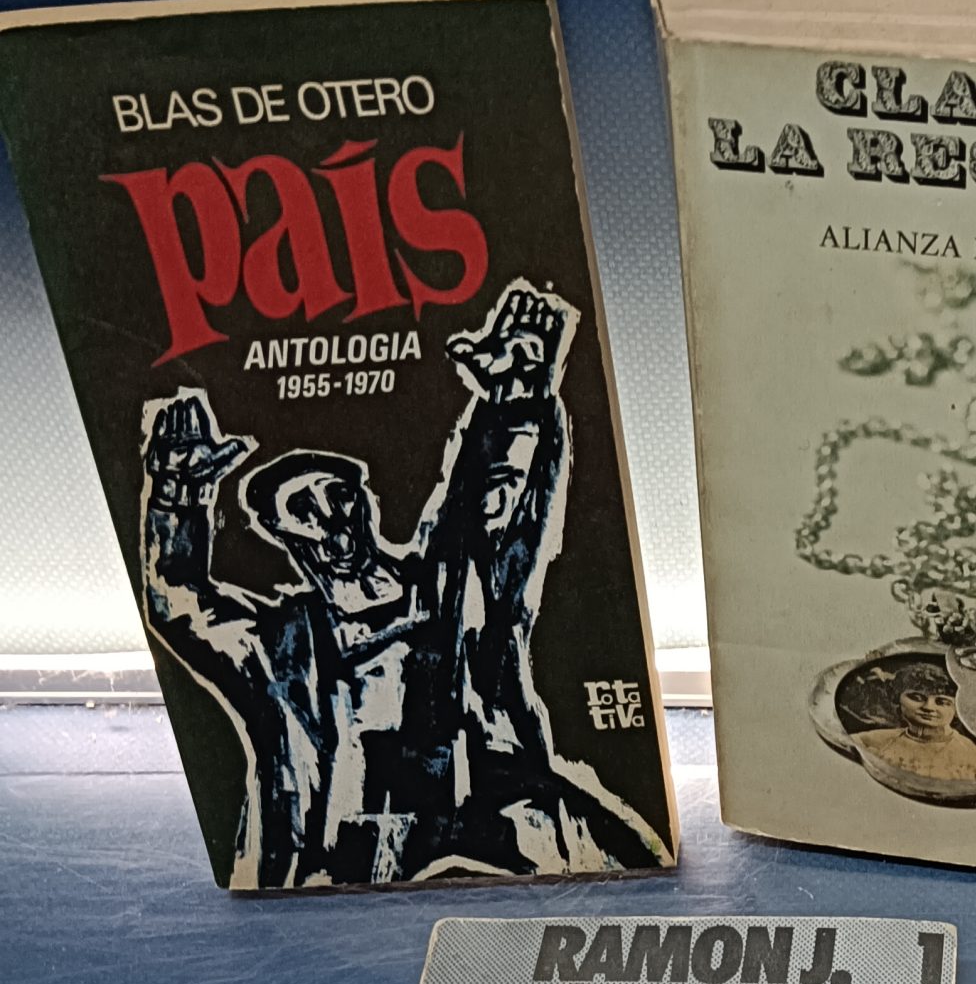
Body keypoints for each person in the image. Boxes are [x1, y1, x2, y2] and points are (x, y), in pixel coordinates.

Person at [139, 282, 668, 887]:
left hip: (497, 847)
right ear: (286, 537)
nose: (329, 519)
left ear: (363, 502)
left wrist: (514, 400)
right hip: (349, 875)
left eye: (337, 495)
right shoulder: (281, 645)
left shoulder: (446, 587)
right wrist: (177, 497)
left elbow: (484, 504)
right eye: (303, 511)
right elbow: (179, 601)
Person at [852, 660, 976, 786]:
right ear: (897, 698)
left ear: (958, 708)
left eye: (942, 702)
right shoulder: (871, 741)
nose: (928, 707)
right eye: (916, 698)